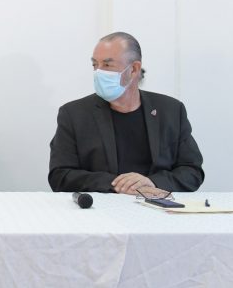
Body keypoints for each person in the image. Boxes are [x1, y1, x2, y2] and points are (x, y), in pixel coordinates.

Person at [48, 32, 204, 194]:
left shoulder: (171, 110)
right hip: (101, 206)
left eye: (107, 65)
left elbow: (192, 171)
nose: (98, 72)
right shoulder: (74, 114)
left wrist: (153, 182)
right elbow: (60, 176)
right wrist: (117, 184)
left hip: (159, 204)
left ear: (134, 69)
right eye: (95, 65)